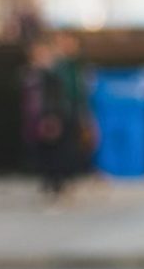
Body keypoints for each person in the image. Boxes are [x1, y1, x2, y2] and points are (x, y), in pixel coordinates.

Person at [21, 38, 78, 199]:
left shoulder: (55, 73)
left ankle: (58, 182)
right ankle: (50, 181)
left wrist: (52, 117)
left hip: (53, 116)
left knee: (57, 151)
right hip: (37, 117)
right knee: (44, 151)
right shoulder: (33, 73)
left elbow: (57, 97)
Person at [52, 32, 97, 173]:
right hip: (60, 111)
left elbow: (83, 90)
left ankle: (74, 173)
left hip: (77, 110)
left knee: (78, 143)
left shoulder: (79, 66)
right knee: (61, 145)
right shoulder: (57, 66)